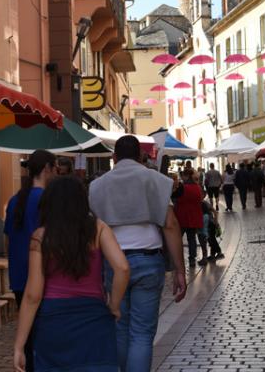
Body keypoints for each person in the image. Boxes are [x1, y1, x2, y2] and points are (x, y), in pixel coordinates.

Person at [89, 135, 187, 372]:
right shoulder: (156, 180)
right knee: (142, 333)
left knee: (120, 327)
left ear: (114, 158)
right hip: (148, 259)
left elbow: (92, 230)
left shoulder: (96, 186)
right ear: (141, 157)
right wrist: (180, 270)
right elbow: (171, 224)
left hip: (113, 261)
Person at [14, 177, 130, 372]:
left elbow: (33, 296)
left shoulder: (41, 237)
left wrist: (19, 345)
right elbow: (122, 268)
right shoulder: (98, 228)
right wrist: (114, 305)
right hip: (93, 319)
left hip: (53, 322)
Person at [4, 150, 56, 372]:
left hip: (18, 274)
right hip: (42, 276)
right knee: (44, 340)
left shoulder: (16, 199)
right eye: (54, 169)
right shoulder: (47, 200)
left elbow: (8, 238)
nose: (55, 173)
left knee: (29, 338)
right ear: (47, 168)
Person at [172, 169, 207, 268]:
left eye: (183, 175)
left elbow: (173, 197)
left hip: (182, 217)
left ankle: (176, 259)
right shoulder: (197, 187)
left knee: (178, 239)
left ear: (187, 176)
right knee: (192, 239)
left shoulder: (182, 187)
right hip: (194, 217)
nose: (182, 177)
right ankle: (192, 259)